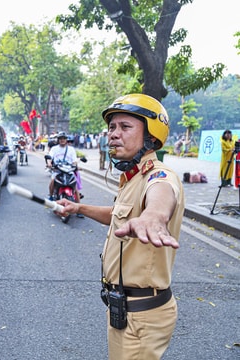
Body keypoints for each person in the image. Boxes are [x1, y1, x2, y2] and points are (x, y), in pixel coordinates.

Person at [55, 94, 185, 360]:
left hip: (142, 315)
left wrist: (154, 217)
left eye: (125, 127)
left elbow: (161, 194)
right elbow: (118, 215)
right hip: (125, 308)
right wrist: (79, 208)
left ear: (151, 135)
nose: (114, 134)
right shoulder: (132, 178)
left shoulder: (158, 174)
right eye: (112, 127)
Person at [46, 132, 83, 217]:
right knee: (52, 180)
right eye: (61, 139)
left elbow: (74, 161)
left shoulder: (71, 149)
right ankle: (51, 196)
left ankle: (79, 209)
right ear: (58, 140)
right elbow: (49, 158)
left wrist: (76, 166)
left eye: (64, 138)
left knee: (75, 188)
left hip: (69, 170)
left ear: (66, 140)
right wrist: (49, 163)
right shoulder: (54, 149)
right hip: (57, 170)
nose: (62, 140)